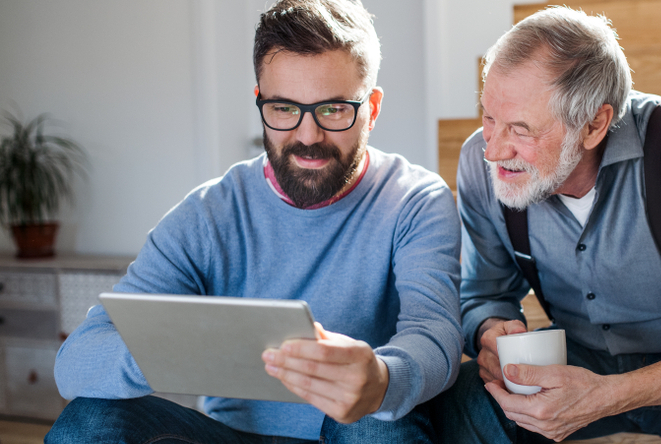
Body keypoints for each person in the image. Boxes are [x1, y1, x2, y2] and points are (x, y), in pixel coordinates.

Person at [46, 0, 462, 443]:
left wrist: (381, 378)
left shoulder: (415, 200)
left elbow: (434, 333)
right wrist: (182, 347)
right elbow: (75, 363)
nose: (307, 136)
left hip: (350, 432)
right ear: (260, 101)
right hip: (228, 435)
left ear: (371, 109)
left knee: (379, 421)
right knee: (90, 419)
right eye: (284, 109)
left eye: (333, 109)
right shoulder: (208, 214)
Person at [433, 6, 661, 444]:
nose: (493, 150)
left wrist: (610, 395)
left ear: (594, 125)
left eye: (521, 129)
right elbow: (484, 292)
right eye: (489, 117)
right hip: (578, 353)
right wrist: (490, 333)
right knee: (462, 401)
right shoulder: (482, 162)